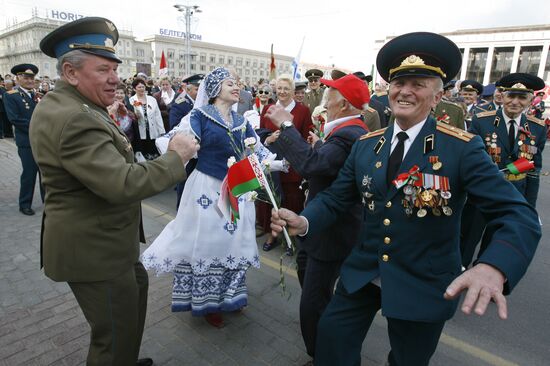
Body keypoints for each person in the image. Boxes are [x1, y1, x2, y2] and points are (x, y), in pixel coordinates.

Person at [270, 32, 541, 366]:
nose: (405, 91)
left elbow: (518, 214)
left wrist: (493, 266)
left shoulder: (461, 147)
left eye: (419, 83)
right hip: (364, 271)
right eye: (399, 83)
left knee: (407, 360)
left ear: (438, 94)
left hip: (423, 280)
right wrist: (306, 220)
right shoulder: (367, 145)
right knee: (331, 340)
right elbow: (337, 199)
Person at [29, 17, 199, 366]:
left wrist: (109, 118)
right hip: (96, 252)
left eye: (114, 68)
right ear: (71, 72)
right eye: (103, 69)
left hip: (106, 244)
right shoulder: (77, 117)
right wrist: (175, 157)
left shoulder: (75, 106)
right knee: (113, 338)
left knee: (129, 314)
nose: (115, 78)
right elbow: (122, 183)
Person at [141, 67, 280, 328]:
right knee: (208, 240)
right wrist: (185, 147)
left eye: (237, 83)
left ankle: (232, 296)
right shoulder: (200, 115)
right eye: (230, 84)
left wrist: (273, 164)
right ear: (215, 90)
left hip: (237, 189)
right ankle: (207, 302)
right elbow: (179, 142)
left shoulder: (242, 121)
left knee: (235, 241)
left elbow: (256, 151)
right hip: (206, 188)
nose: (236, 87)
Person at [265, 74, 369, 363]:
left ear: (345, 104)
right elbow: (325, 164)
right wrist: (318, 144)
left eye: (332, 91)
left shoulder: (349, 133)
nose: (326, 93)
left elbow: (313, 165)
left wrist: (287, 125)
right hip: (318, 227)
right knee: (308, 276)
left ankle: (322, 355)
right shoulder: (344, 130)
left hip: (330, 231)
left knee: (312, 304)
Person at [460, 72, 546, 267]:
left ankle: (483, 272)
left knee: (496, 239)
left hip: (514, 194)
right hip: (481, 194)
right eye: (511, 96)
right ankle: (459, 269)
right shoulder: (482, 121)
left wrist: (528, 205)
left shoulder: (537, 128)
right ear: (502, 96)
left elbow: (533, 170)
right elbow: (470, 161)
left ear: (530, 100)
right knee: (467, 237)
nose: (515, 102)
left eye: (522, 97)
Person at [259, 74, 312, 255]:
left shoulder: (303, 111)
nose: (282, 92)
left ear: (292, 91)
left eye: (286, 89)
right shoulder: (268, 108)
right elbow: (260, 135)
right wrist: (268, 138)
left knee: (291, 201)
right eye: (279, 88)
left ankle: (290, 238)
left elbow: (306, 138)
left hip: (292, 164)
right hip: (271, 162)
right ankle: (273, 235)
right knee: (273, 199)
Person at [3, 63, 44, 215]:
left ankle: (48, 201)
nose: (29, 80)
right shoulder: (11, 95)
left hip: (43, 141)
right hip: (26, 141)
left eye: (31, 78)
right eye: (26, 77)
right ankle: (25, 203)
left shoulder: (37, 95)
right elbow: (15, 119)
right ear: (18, 78)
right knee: (29, 173)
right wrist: (39, 127)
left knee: (45, 172)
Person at [130, 78, 165, 160]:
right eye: (139, 87)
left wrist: (162, 131)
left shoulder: (152, 99)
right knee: (143, 155)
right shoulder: (131, 100)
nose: (142, 89)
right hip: (140, 131)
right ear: (135, 89)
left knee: (154, 153)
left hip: (152, 130)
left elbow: (158, 116)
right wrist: (135, 115)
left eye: (143, 87)